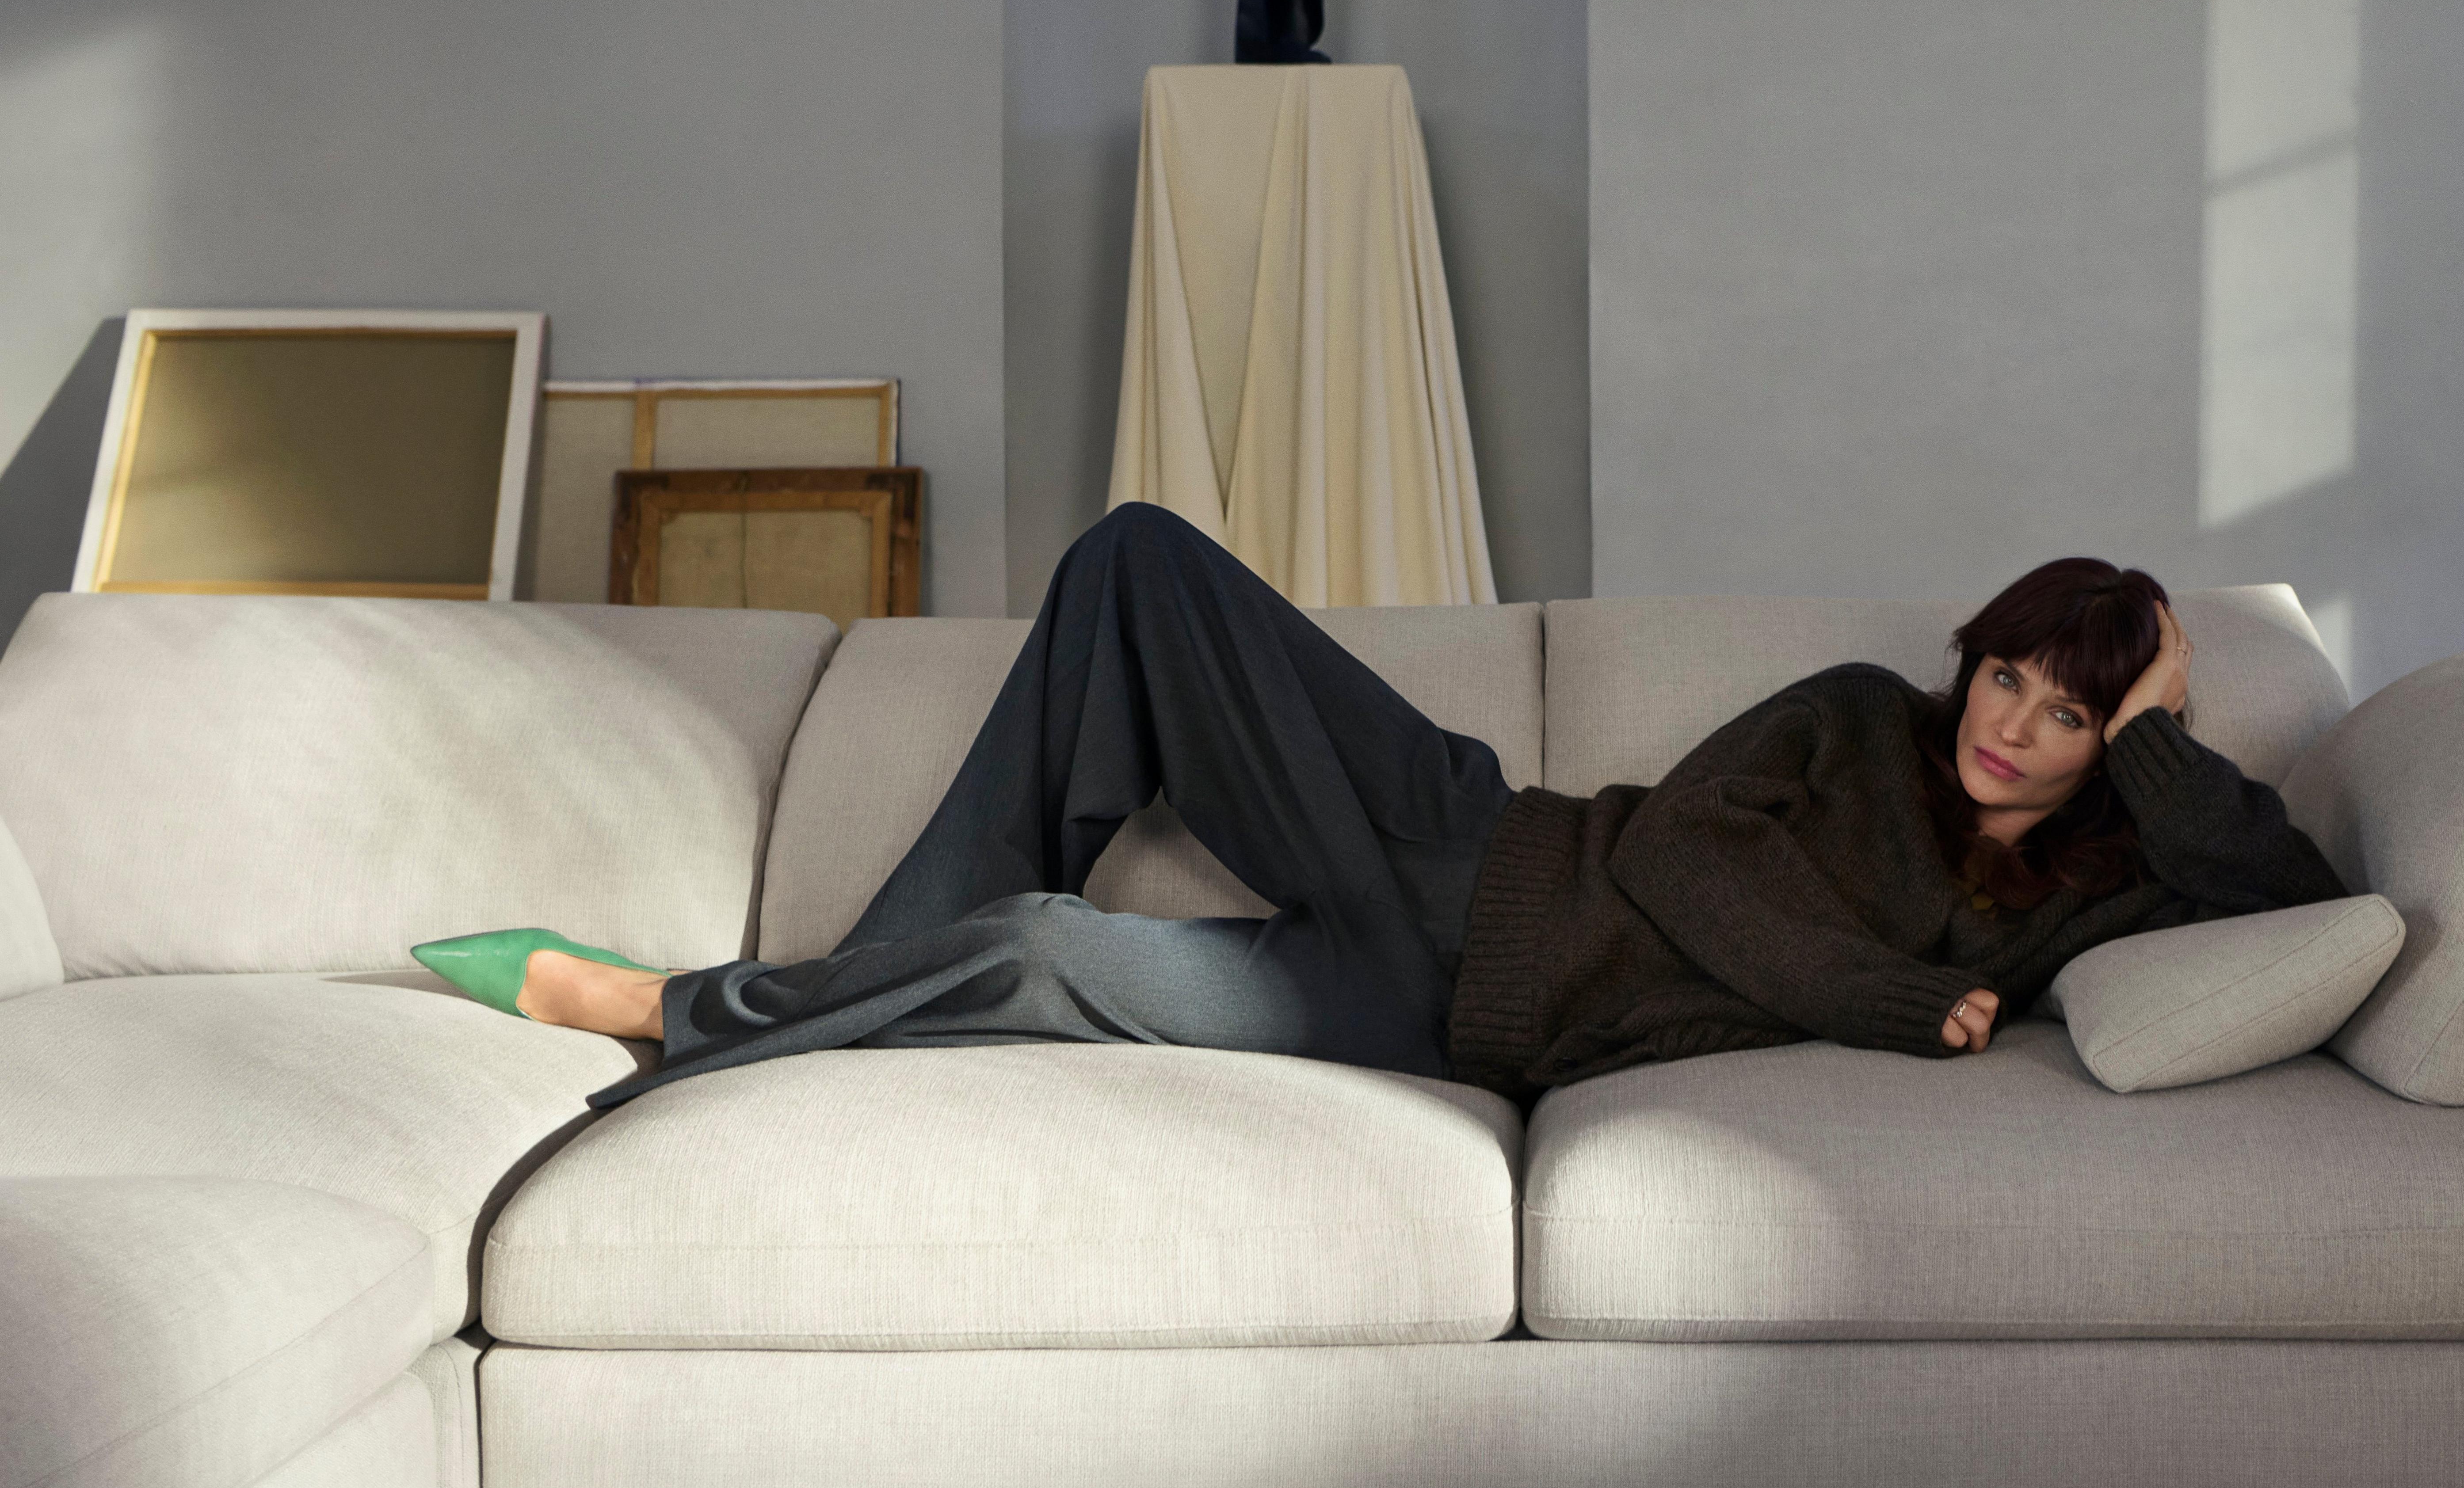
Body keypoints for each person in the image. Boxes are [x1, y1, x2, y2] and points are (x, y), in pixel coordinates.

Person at [415, 502, 2344, 1108]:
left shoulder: (2078, 904)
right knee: (1138, 559)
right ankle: (791, 993)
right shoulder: (1858, 715)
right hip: (1457, 839)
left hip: (1437, 1013)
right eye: (2009, 668)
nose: (2011, 721)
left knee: (1029, 949)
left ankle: (685, 1010)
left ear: (2116, 744)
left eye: (2073, 709)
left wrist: (2170, 710)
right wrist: (1872, 996)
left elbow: (2291, 886)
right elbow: (1671, 848)